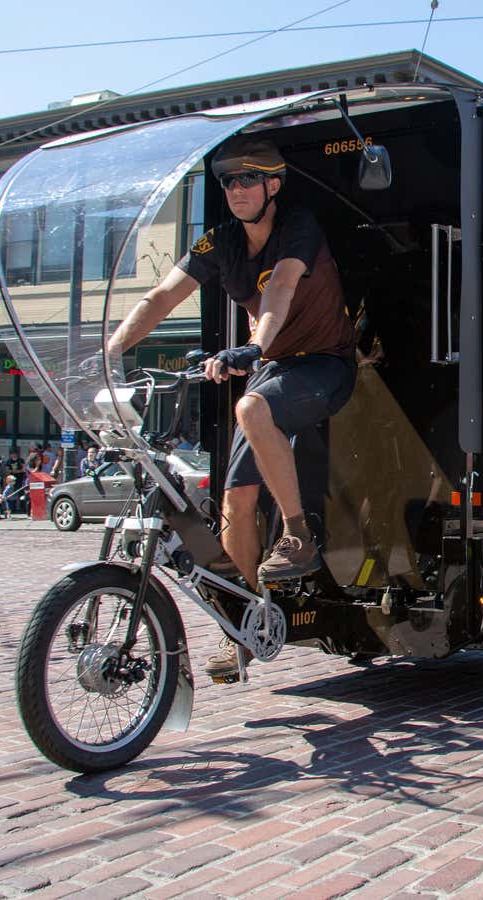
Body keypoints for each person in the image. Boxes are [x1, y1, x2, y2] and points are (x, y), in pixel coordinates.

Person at [106, 138, 356, 592]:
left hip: (324, 363)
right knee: (235, 500)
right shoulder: (221, 241)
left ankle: (297, 536)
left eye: (249, 180)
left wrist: (255, 346)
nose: (237, 189)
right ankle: (237, 624)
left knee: (251, 407)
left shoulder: (298, 227)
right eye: (228, 182)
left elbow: (280, 288)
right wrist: (108, 351)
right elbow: (162, 296)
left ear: (273, 185)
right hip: (274, 367)